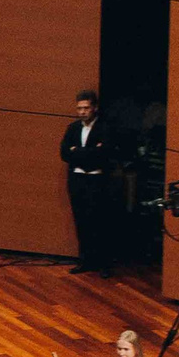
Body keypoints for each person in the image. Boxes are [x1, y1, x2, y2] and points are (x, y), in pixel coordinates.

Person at [61, 91, 113, 274]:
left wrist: (78, 152)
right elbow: (64, 153)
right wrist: (89, 152)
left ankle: (103, 264)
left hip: (96, 180)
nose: (82, 112)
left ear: (94, 108)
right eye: (79, 108)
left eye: (86, 108)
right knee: (81, 221)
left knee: (99, 222)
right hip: (77, 180)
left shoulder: (104, 128)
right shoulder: (73, 128)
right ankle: (86, 261)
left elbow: (104, 154)